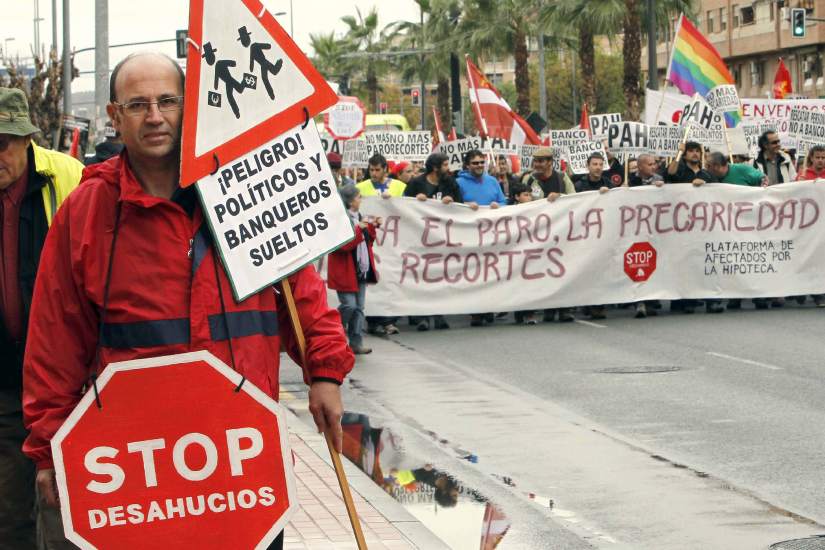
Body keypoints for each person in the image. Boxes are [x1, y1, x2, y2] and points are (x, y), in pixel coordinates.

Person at [21, 53, 352, 550]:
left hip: (241, 455)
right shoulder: (87, 212)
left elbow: (300, 291)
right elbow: (55, 340)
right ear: (114, 117)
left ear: (189, 108)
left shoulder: (246, 189)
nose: (155, 116)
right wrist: (49, 448)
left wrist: (324, 371)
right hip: (137, 462)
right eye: (138, 105)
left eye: (168, 101)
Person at [0, 87, 83, 549]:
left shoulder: (68, 176)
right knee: (9, 515)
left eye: (2, 143)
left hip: (66, 381)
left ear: (26, 139)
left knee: (66, 511)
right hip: (6, 383)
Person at [403, 152, 461, 331]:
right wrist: (415, 201)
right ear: (435, 168)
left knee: (440, 278)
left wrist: (453, 201)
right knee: (422, 277)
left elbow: (462, 205)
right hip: (420, 239)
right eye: (444, 165)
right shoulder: (416, 183)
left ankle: (439, 315)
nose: (448, 168)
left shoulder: (450, 183)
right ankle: (423, 316)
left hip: (443, 239)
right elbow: (403, 205)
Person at [520, 147, 575, 323]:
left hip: (559, 233)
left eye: (541, 161)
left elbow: (575, 199)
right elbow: (520, 200)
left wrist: (560, 196)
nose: (537, 164)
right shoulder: (529, 179)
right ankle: (538, 308)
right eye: (535, 161)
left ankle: (563, 308)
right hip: (536, 235)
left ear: (550, 162)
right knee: (537, 271)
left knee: (560, 271)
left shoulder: (562, 178)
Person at [328, 185, 379, 354]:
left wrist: (372, 227)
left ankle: (356, 343)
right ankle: (334, 326)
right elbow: (343, 246)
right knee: (349, 305)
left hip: (359, 269)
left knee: (359, 308)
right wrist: (359, 230)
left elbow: (367, 242)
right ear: (350, 201)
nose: (360, 200)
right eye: (358, 197)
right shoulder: (339, 220)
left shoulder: (359, 217)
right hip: (345, 272)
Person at [456, 150, 505, 326]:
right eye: (475, 163)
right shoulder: (458, 183)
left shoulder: (493, 182)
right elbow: (452, 206)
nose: (479, 166)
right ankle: (475, 311)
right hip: (468, 237)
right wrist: (465, 206)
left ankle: (488, 307)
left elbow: (504, 203)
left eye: (481, 162)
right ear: (467, 165)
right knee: (473, 274)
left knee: (490, 272)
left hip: (491, 236)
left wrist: (497, 205)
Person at [356, 154, 402, 335]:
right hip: (371, 241)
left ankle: (389, 320)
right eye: (371, 170)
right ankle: (373, 320)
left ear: (385, 169)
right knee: (374, 281)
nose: (373, 173)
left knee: (390, 279)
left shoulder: (399, 187)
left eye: (377, 170)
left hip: (394, 240)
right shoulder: (361, 187)